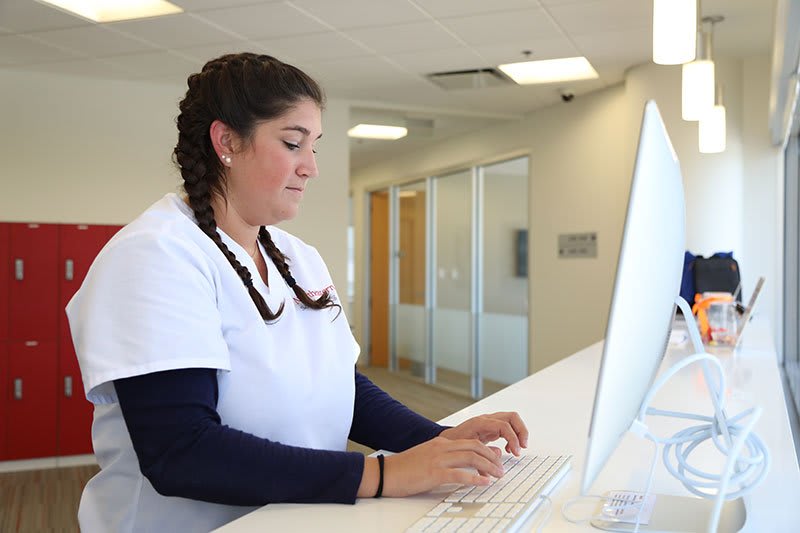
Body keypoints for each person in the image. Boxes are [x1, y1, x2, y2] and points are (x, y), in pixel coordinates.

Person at [66, 52, 529, 533]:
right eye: (293, 143)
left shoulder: (295, 255)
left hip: (292, 515)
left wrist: (437, 440)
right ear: (225, 141)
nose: (310, 167)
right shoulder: (155, 255)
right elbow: (181, 451)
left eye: (315, 147)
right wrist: (383, 473)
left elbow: (337, 384)